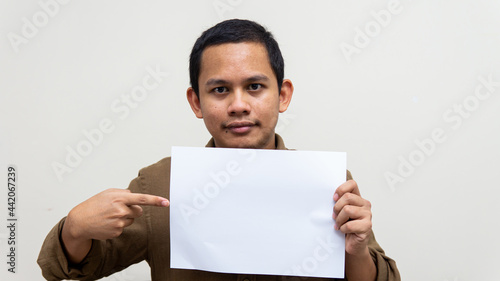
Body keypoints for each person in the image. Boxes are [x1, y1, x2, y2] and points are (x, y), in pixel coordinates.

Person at [38, 19, 400, 281]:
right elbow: (65, 269)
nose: (238, 105)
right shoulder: (161, 183)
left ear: (283, 95)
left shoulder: (330, 184)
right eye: (220, 90)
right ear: (196, 101)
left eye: (255, 86)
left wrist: (356, 250)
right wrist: (76, 228)